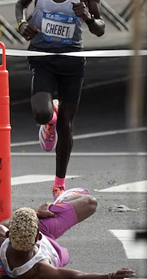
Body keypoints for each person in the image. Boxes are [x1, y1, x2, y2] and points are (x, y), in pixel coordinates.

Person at [15, 0, 105, 199]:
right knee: (41, 114)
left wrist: (89, 18)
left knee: (66, 124)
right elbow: (20, 5)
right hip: (42, 57)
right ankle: (50, 118)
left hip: (72, 61)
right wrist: (21, 24)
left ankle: (59, 185)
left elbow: (100, 29)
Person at [0, 188, 135, 279]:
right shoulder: (41, 269)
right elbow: (77, 276)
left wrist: (36, 213)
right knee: (90, 201)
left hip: (35, 230)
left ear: (8, 235)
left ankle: (46, 208)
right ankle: (52, 207)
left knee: (90, 203)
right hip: (55, 252)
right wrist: (110, 277)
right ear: (38, 238)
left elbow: (11, 223)